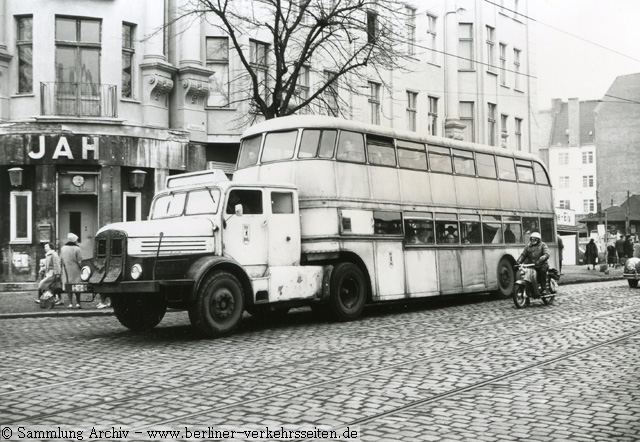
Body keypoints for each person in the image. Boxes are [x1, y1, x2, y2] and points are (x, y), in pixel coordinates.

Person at [59, 233, 83, 308]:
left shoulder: (63, 248)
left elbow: (61, 260)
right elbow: (80, 261)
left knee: (68, 286)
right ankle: (78, 303)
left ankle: (70, 303)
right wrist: (82, 268)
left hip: (66, 269)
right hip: (76, 270)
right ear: (75, 240)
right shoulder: (77, 249)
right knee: (77, 286)